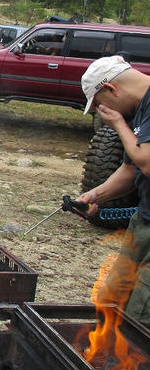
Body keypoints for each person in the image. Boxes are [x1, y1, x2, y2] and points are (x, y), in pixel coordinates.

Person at [77, 55, 150, 327]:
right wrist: (93, 196)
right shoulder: (141, 108)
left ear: (111, 89)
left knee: (140, 318)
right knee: (113, 298)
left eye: (98, 105)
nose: (100, 113)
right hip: (143, 219)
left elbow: (148, 162)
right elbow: (131, 170)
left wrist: (119, 124)